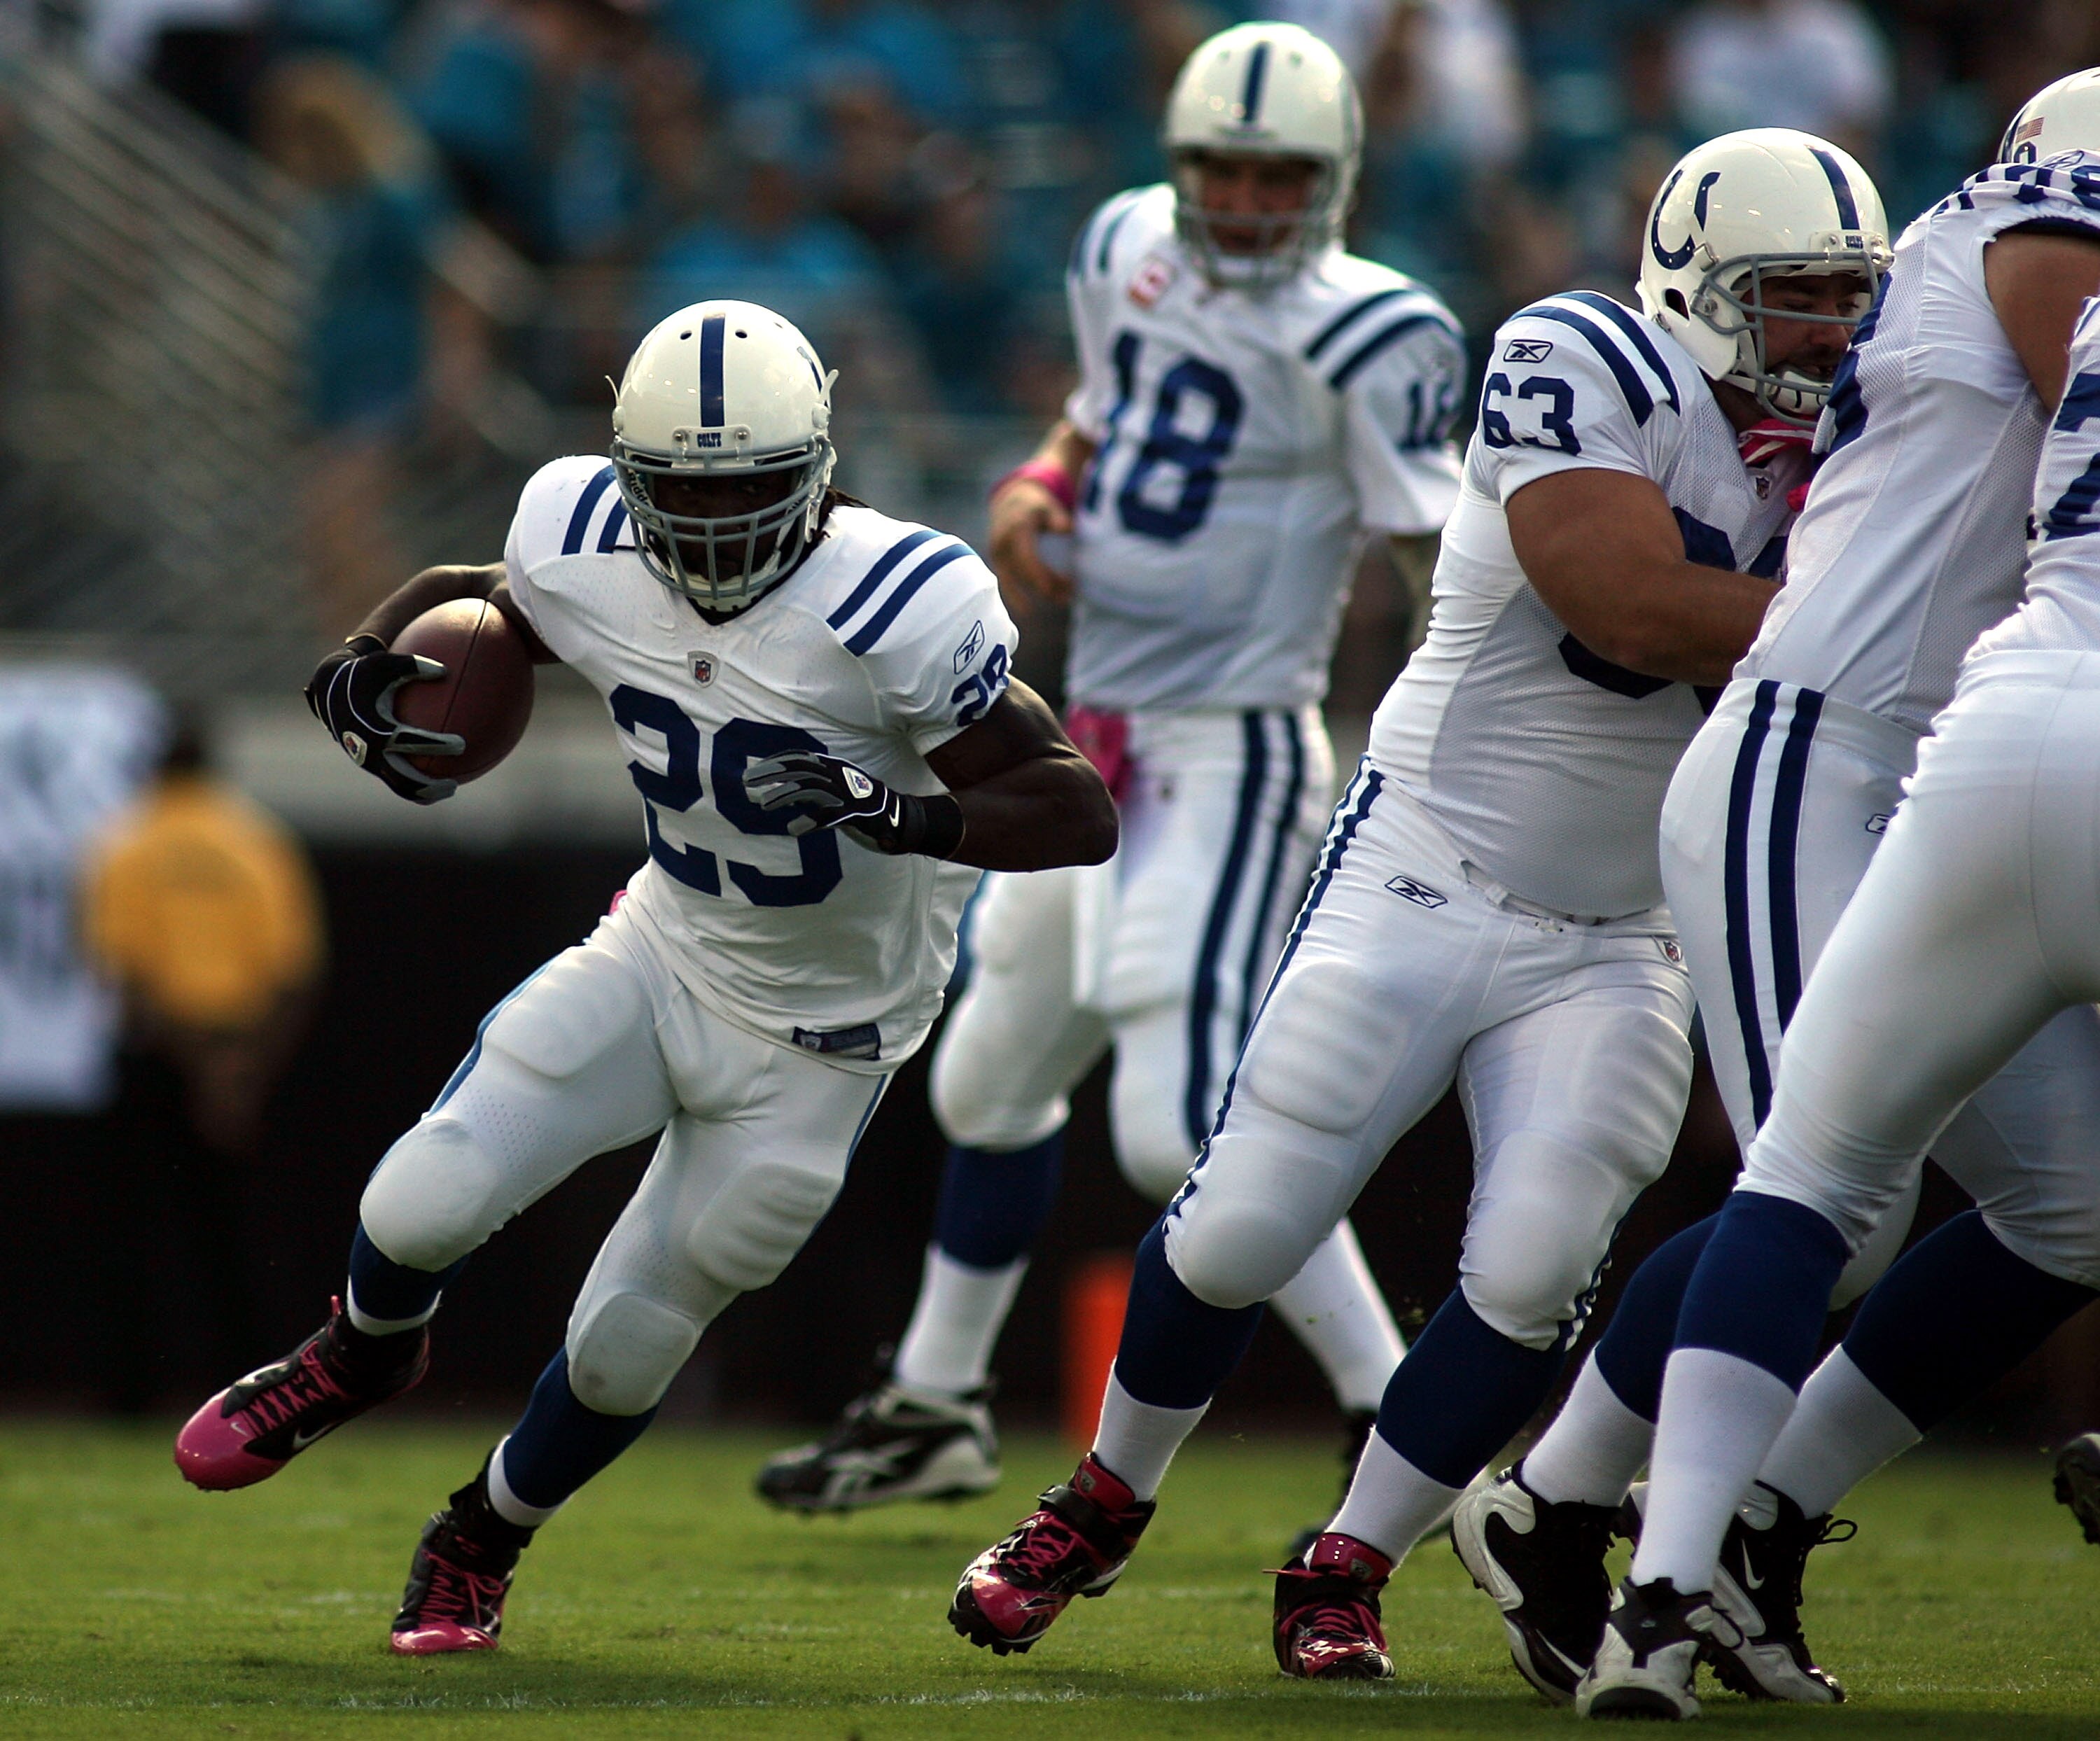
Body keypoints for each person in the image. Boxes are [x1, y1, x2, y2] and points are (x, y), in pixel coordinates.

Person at [948, 127, 1884, 1677]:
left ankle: (1349, 1558)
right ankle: (1102, 1495)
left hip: (1628, 927)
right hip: (1427, 857)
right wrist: (1875, 616)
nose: (1828, 332)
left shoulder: (1867, 421)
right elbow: (1628, 602)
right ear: (1702, 286)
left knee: (1528, 1270)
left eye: (1850, 297)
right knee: (1244, 1216)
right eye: (1793, 295)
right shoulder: (1578, 352)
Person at [170, 298, 1117, 1656]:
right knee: (420, 1191)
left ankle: (478, 1538)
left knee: (627, 1343)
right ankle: (363, 1350)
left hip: (826, 1041)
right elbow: (497, 598)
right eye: (678, 490)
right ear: (626, 473)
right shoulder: (584, 534)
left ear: (819, 470)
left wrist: (893, 809)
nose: (713, 524)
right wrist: (363, 649)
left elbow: (1075, 806)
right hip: (664, 952)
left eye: (746, 492)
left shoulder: (903, 603)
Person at [754, 21, 1467, 1519]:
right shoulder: (1126, 244)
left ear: (1333, 181)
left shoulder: (1375, 328)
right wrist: (1039, 480)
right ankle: (937, 1403)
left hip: (1233, 740)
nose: (1246, 200)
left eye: (1279, 176)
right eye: (1220, 167)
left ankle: (1394, 1408)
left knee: (1176, 1119)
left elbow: (1430, 555)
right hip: (1105, 731)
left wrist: (1445, 731)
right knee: (993, 1074)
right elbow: (1102, 409)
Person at [1457, 70, 2100, 1716]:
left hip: (1949, 764)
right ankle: (1565, 1500)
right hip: (1809, 751)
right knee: (1833, 1192)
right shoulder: (2036, 220)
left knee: (2069, 1203)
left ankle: (1749, 1515)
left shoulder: (1980, 238)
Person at [80, 719, 325, 1410]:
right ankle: (250, 1390)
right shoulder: (258, 841)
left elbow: (127, 976)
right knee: (239, 1240)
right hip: (247, 1061)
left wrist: (194, 1068)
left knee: (135, 1235)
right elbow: (295, 974)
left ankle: (131, 1395)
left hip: (157, 1061)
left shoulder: (125, 843)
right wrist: (237, 1076)